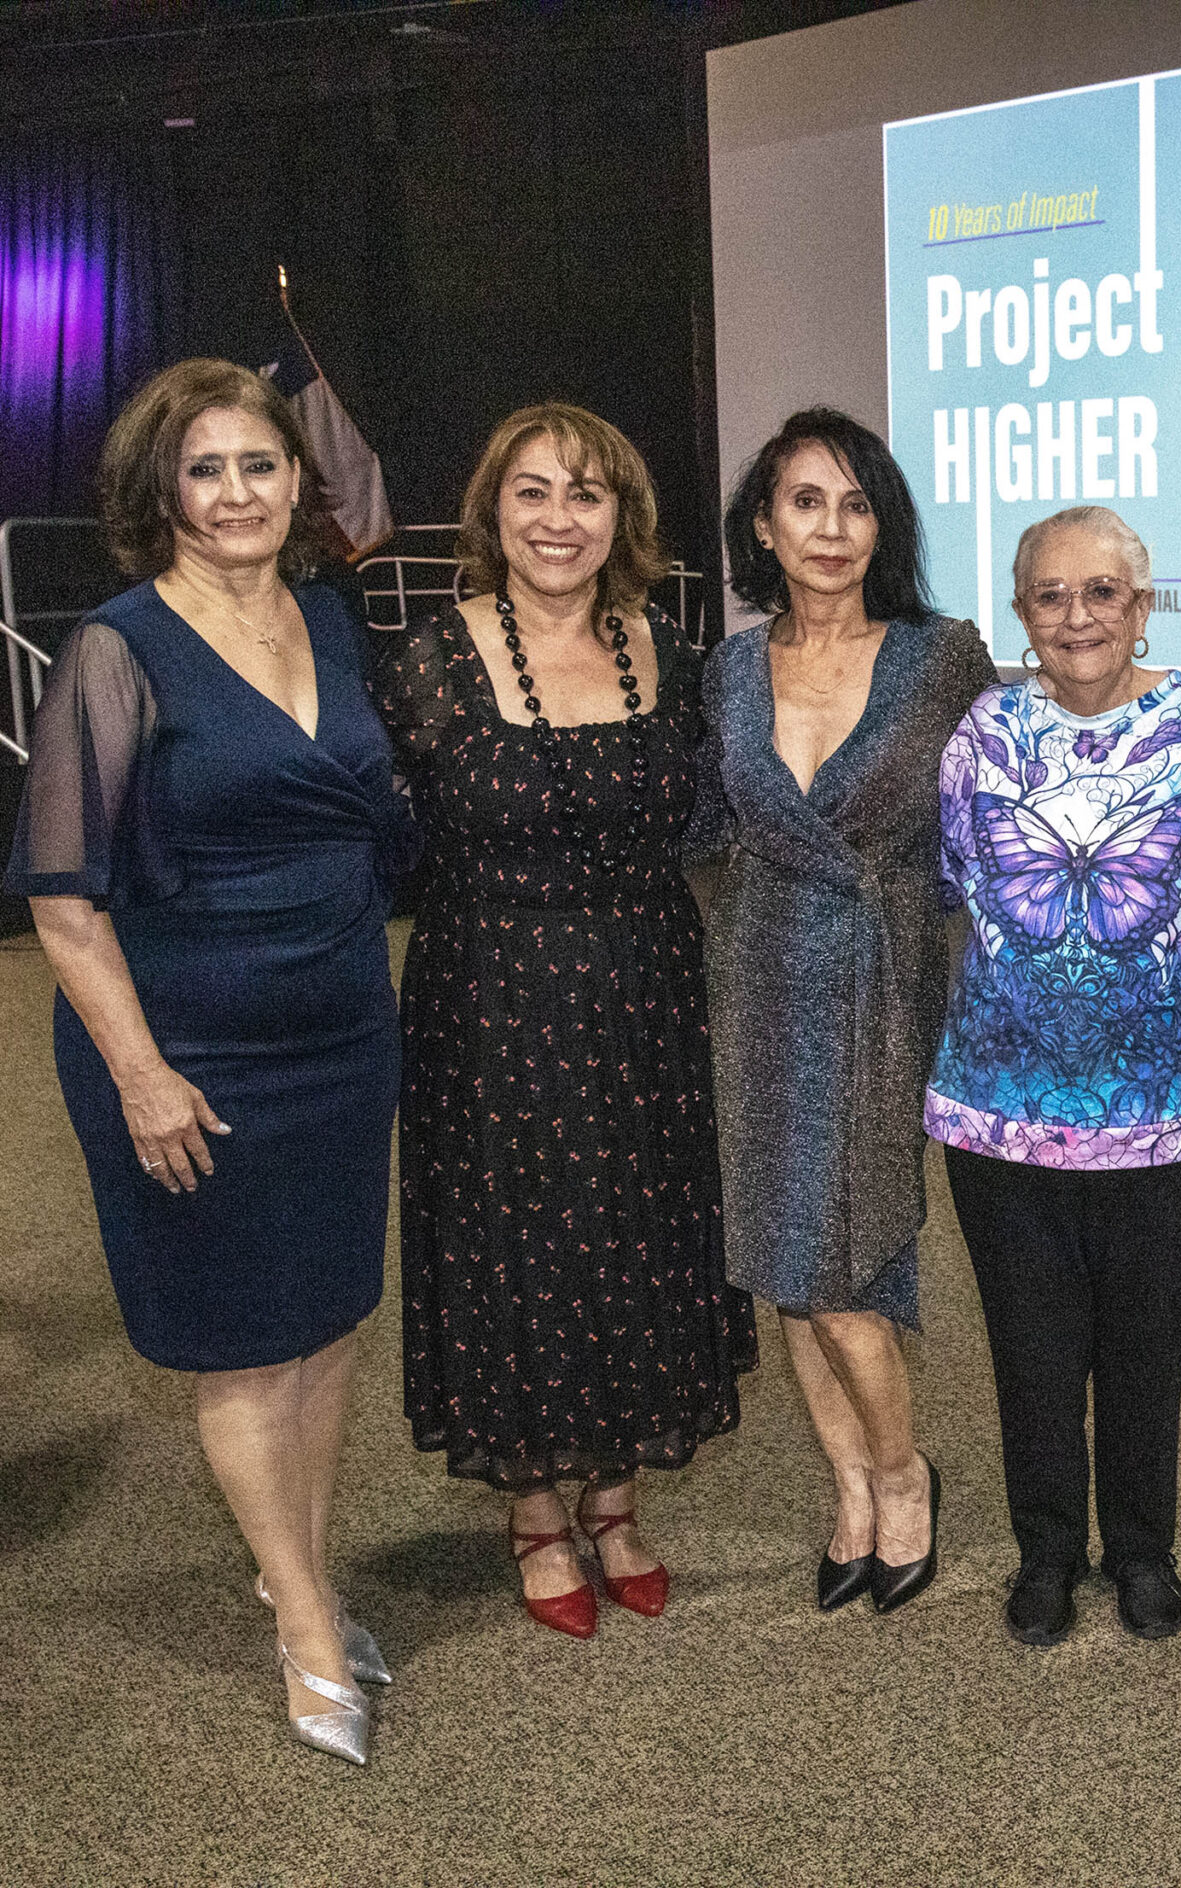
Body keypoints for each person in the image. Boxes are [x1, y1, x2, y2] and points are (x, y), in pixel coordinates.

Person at [5, 359, 414, 1764]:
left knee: (329, 1320)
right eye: (206, 469)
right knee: (242, 1349)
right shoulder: (117, 648)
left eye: (259, 464)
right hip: (189, 1049)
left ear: (298, 480)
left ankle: (295, 1568)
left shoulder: (328, 617)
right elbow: (65, 903)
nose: (237, 493)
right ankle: (305, 1619)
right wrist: (139, 1072)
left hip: (342, 1033)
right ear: (162, 491)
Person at [376, 403, 756, 1639]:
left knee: (636, 1233)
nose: (558, 518)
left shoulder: (672, 655)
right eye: (531, 492)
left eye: (585, 494)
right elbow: (371, 839)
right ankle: (536, 1508)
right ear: (492, 511)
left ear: (621, 516)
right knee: (518, 1248)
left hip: (647, 996)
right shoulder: (428, 661)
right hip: (489, 1001)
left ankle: (615, 1499)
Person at [930, 505, 1181, 1646]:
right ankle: (1045, 1551)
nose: (1077, 616)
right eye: (1050, 595)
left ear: (1142, 603)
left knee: (1144, 1349)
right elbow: (954, 879)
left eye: (1101, 592)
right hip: (1002, 1112)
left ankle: (1141, 1550)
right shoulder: (981, 732)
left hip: (1164, 1111)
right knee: (1029, 1351)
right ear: (1019, 614)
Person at [689, 406, 996, 1616]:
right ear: (763, 526)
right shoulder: (727, 669)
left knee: (845, 1265)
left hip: (879, 976)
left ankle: (905, 1472)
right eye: (805, 502)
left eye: (856, 503)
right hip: (757, 974)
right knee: (784, 1253)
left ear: (885, 526)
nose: (831, 528)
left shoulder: (940, 656)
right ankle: (851, 1487)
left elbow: (1008, 804)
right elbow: (699, 824)